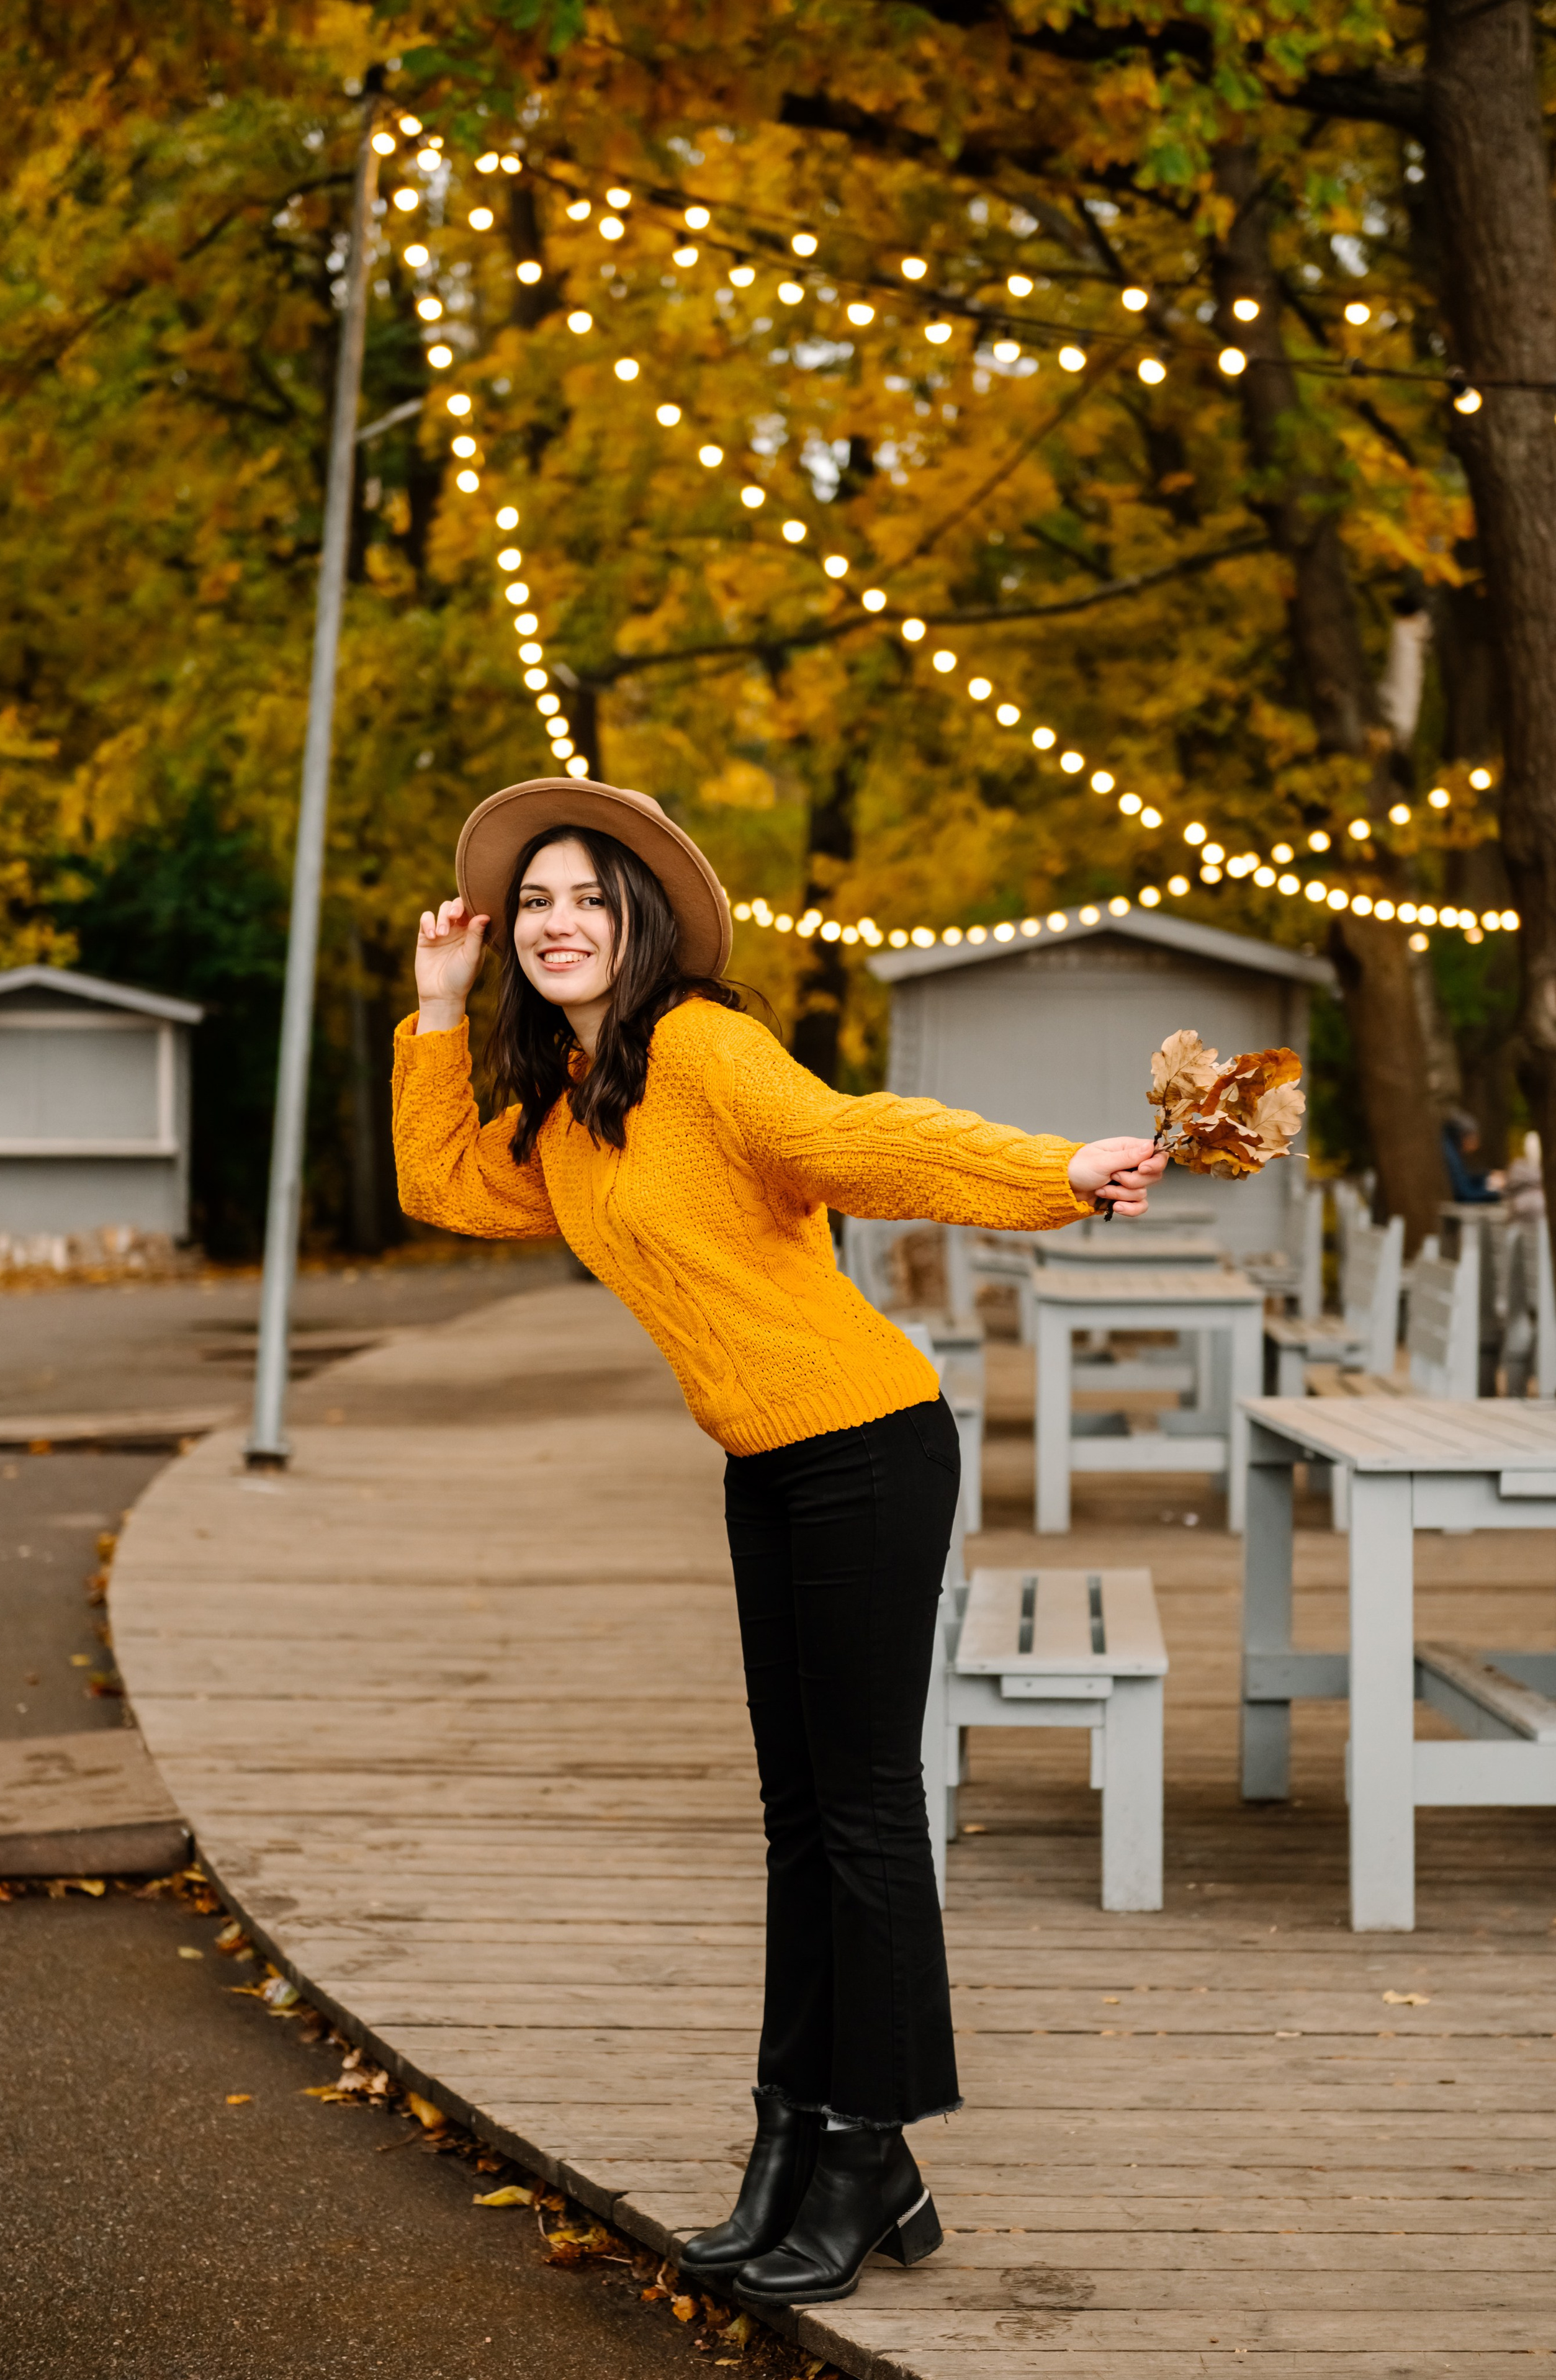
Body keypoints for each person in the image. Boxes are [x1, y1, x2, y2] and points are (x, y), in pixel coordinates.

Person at [392, 775, 1167, 2310]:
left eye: (583, 899)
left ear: (641, 917)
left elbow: (852, 1138)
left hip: (868, 1443)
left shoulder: (700, 1049)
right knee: (801, 1815)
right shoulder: (568, 1096)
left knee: (864, 1810)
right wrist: (430, 1007)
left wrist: (1050, 1173)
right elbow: (440, 1186)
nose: (554, 923)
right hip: (767, 1463)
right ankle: (794, 2135)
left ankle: (865, 2146)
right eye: (532, 903)